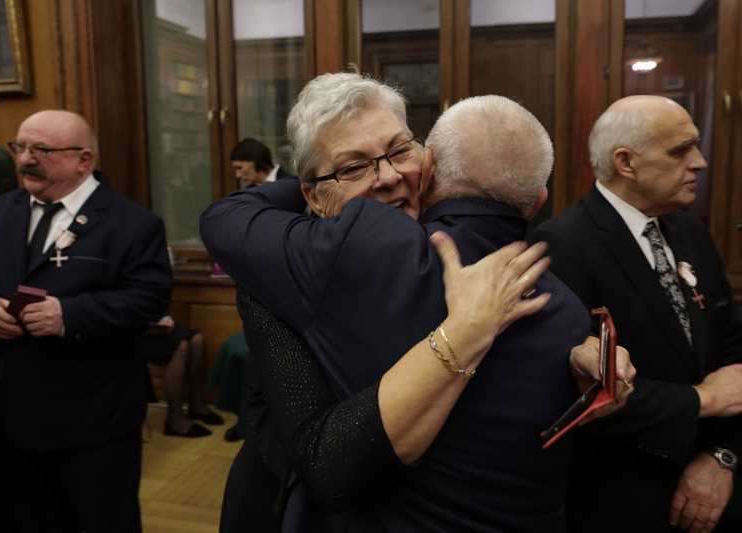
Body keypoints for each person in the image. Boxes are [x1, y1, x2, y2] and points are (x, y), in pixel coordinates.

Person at [203, 74, 634, 532]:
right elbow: (327, 464)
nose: (388, 178)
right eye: (354, 168)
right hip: (283, 499)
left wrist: (582, 355)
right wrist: (465, 333)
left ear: (429, 162)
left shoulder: (521, 284)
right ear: (312, 194)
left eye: (399, 151)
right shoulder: (294, 264)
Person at [0, 110, 172, 532]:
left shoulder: (134, 224)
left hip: (89, 417)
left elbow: (149, 299)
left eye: (41, 150)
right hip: (1, 414)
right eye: (21, 147)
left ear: (83, 160)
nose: (25, 159)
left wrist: (69, 315)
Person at [529, 95, 742, 533]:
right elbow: (578, 393)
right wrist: (701, 401)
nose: (700, 163)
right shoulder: (563, 244)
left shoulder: (692, 233)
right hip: (621, 500)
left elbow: (734, 350)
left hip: (716, 481)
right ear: (626, 162)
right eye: (681, 150)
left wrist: (723, 457)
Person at [142, 315, 223, 437]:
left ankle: (196, 405)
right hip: (126, 333)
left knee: (197, 339)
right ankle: (174, 418)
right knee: (180, 347)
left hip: (149, 323)